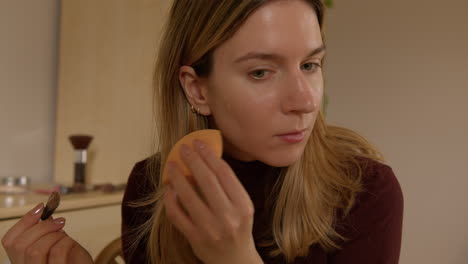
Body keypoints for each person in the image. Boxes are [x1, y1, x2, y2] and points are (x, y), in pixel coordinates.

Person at [2, 0, 403, 263]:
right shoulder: (151, 185)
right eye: (261, 71)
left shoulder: (363, 191)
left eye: (310, 65)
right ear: (197, 89)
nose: (304, 101)